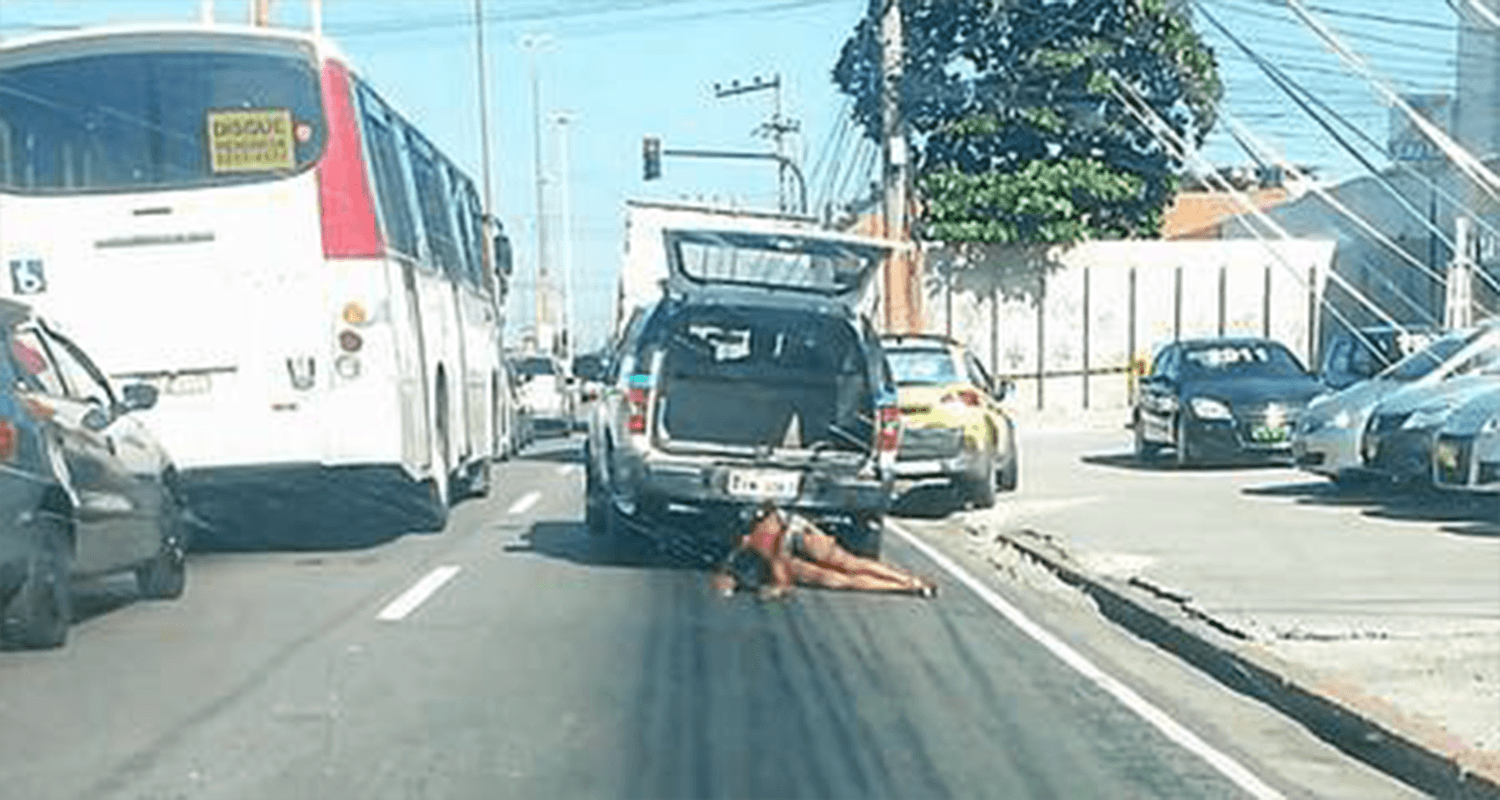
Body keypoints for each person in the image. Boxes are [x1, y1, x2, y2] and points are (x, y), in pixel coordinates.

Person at [710, 500, 937, 600]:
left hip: (798, 538)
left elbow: (780, 572)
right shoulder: (748, 544)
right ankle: (907, 584)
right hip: (795, 541)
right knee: (845, 573)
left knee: (847, 571)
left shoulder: (759, 541)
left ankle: (908, 583)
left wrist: (777, 588)